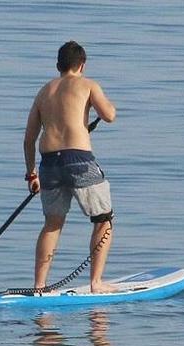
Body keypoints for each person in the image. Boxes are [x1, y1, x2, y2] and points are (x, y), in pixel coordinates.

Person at [23, 40, 117, 293]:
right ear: (82, 66)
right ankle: (96, 283)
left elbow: (29, 138)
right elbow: (109, 116)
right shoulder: (88, 85)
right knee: (103, 220)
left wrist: (31, 173)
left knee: (52, 224)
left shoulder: (44, 91)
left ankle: (39, 285)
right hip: (78, 160)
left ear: (58, 66)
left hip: (49, 163)